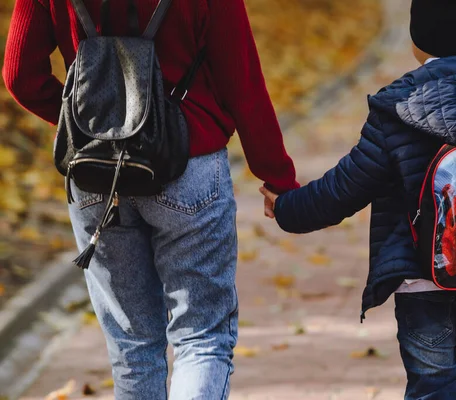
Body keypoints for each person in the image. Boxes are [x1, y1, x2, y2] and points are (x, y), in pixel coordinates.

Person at [260, 0, 456, 398]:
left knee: (430, 383)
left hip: (419, 277)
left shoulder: (396, 109)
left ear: (417, 38)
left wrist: (286, 208)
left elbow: (345, 187)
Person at [3, 0, 299, 399]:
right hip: (188, 163)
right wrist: (277, 177)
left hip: (96, 176)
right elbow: (241, 83)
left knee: (132, 347)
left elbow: (20, 76)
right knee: (201, 337)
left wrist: (93, 128)